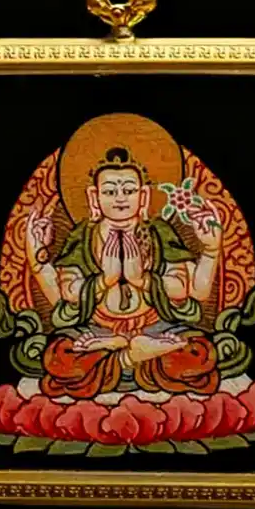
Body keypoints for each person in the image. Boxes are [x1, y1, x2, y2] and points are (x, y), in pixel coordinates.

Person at [26, 147, 223, 399]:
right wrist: (103, 281)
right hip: (98, 330)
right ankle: (129, 351)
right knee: (59, 357)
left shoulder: (158, 233)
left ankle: (127, 354)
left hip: (156, 328)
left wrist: (143, 280)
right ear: (94, 197)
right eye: (110, 192)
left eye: (128, 191)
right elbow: (67, 293)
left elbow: (186, 288)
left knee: (199, 353)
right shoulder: (84, 236)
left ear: (143, 196)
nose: (120, 198)